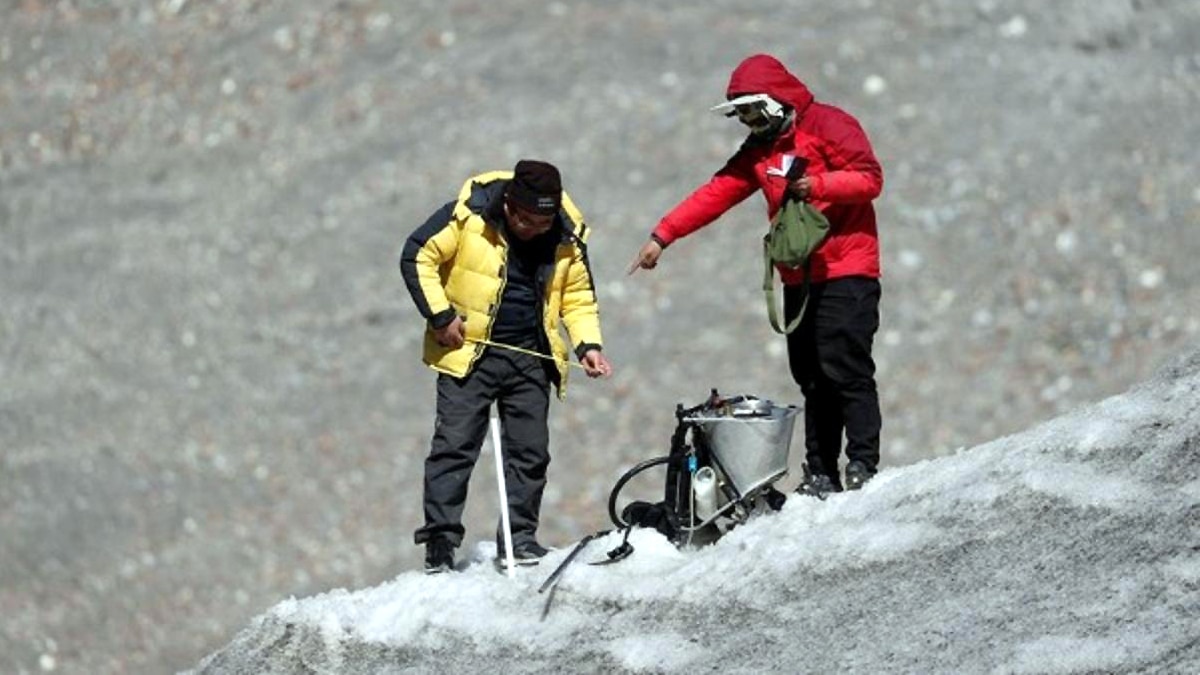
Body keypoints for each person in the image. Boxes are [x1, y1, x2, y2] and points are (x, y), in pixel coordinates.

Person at [628, 54, 884, 496]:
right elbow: (717, 192)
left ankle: (863, 463)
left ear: (775, 101)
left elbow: (869, 179)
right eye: (742, 115)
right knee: (811, 375)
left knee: (844, 368)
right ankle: (821, 471)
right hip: (798, 277)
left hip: (848, 269)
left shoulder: (830, 125)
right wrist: (663, 235)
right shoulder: (758, 151)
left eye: (753, 112)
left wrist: (819, 185)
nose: (749, 123)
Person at [401, 159, 613, 573]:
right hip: (468, 353)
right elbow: (417, 256)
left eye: (542, 222)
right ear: (509, 206)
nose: (533, 229)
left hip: (532, 358)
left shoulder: (567, 233)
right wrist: (441, 317)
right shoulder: (467, 215)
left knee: (530, 452)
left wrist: (588, 345)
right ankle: (440, 545)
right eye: (526, 220)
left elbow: (578, 296)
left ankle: (519, 540)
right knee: (454, 448)